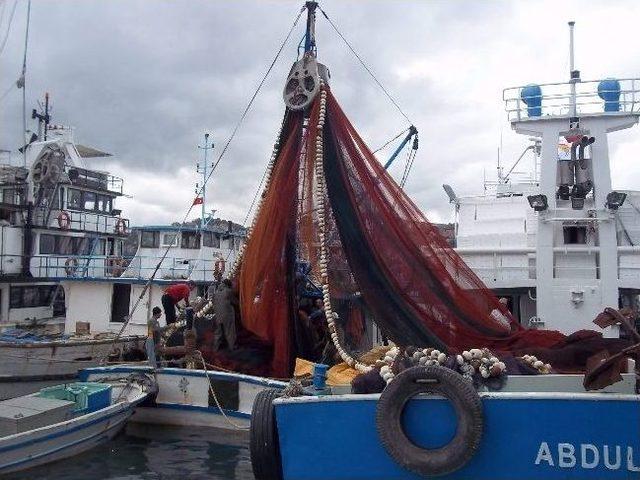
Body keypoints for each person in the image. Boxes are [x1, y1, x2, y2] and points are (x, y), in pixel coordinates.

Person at [212, 279, 237, 351]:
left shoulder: (216, 292)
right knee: (230, 331)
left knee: (218, 333)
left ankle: (215, 348)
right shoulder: (228, 291)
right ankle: (232, 347)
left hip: (217, 315)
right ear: (228, 285)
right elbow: (235, 302)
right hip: (227, 315)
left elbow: (213, 302)